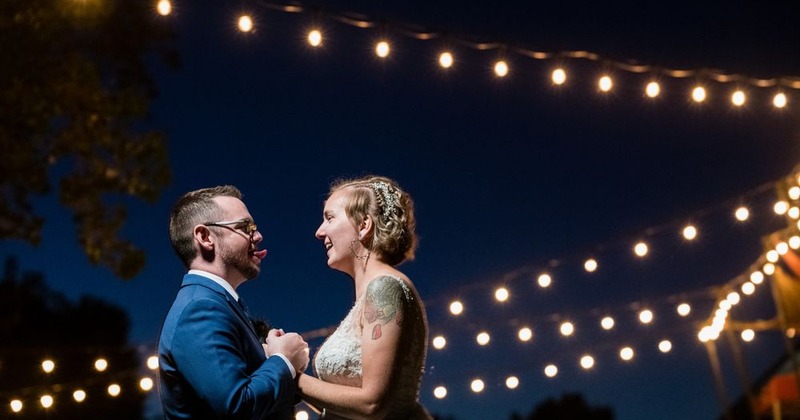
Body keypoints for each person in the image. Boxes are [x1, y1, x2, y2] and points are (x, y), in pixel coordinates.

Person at [158, 185, 310, 419]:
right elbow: (237, 406)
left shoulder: (217, 302)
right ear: (205, 237)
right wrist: (283, 360)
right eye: (245, 227)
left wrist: (271, 362)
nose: (258, 236)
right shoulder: (200, 309)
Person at [298, 175, 431, 419]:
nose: (319, 232)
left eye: (330, 218)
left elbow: (372, 404)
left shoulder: (385, 288)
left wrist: (288, 376)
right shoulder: (372, 292)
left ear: (363, 225)